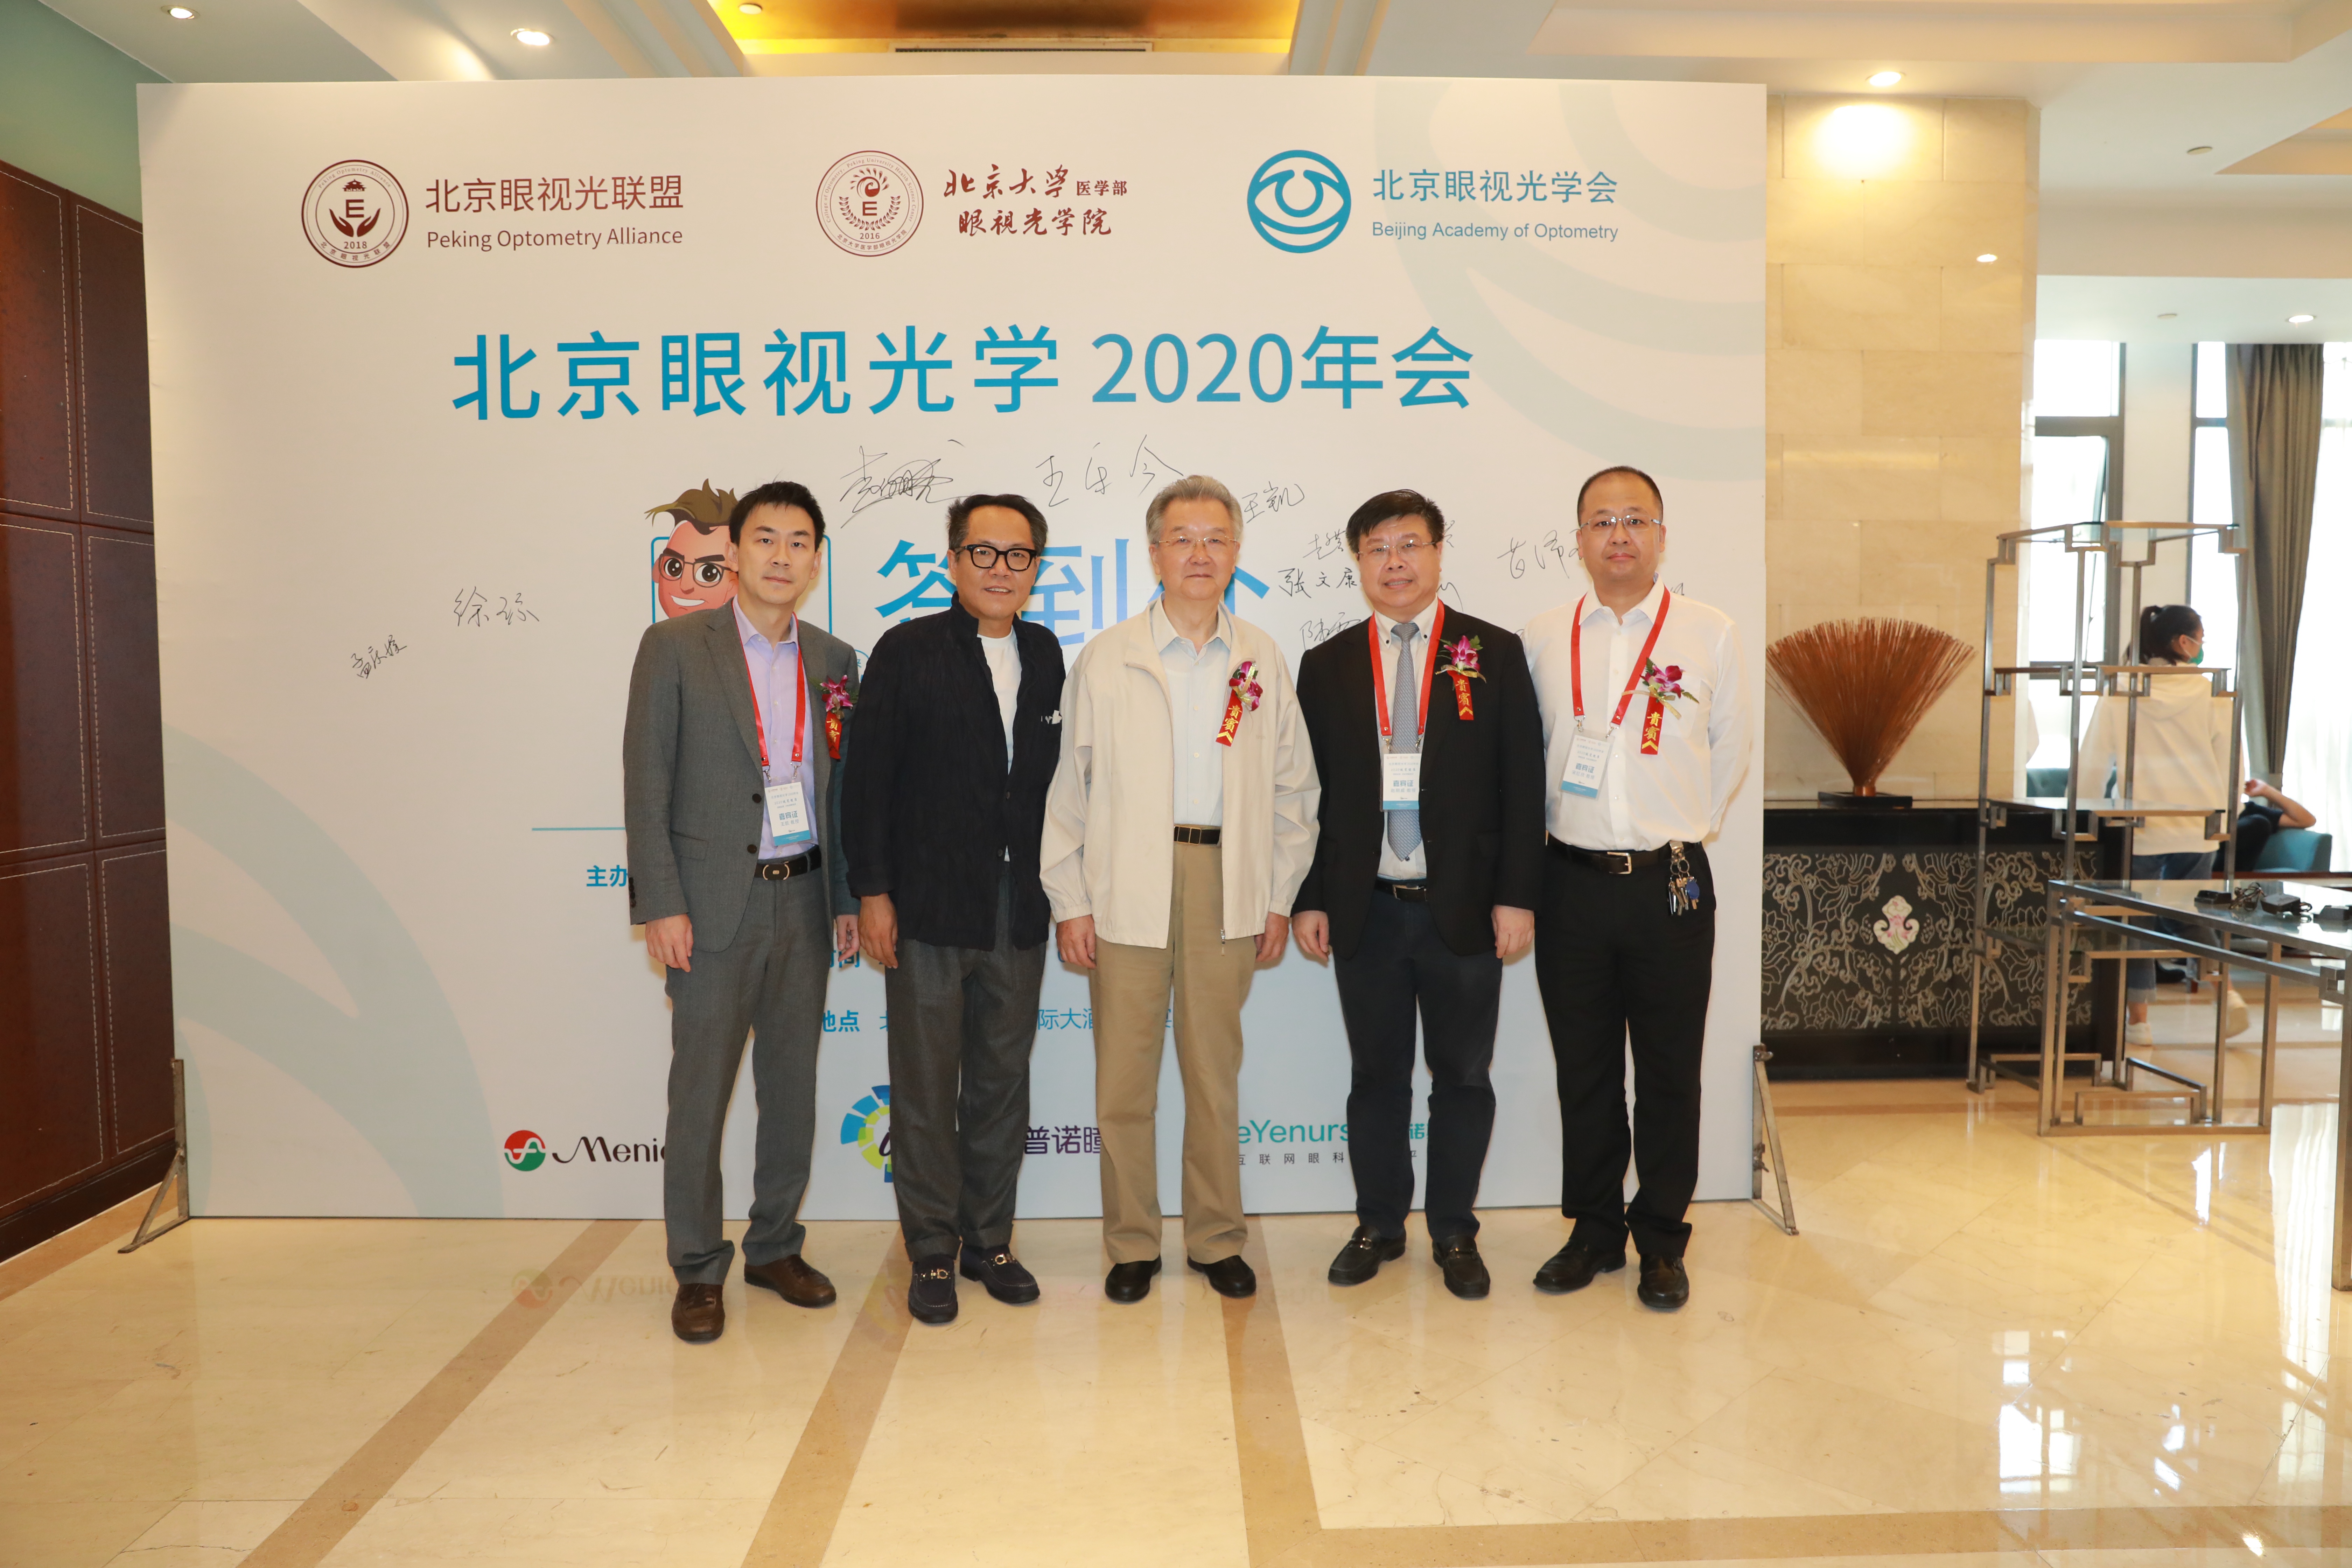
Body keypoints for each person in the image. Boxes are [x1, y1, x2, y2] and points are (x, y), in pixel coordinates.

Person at [1041, 475, 1320, 1304]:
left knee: (1213, 1076)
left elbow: (1295, 791)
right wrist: (1071, 901)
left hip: (1227, 882)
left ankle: (1216, 1237)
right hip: (1124, 881)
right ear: (1155, 552)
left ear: (1236, 553)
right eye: (1183, 538)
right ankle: (1131, 1243)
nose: (1200, 554)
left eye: (1215, 539)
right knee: (1123, 1083)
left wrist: (1277, 894)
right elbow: (1069, 790)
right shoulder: (1109, 656)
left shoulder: (1260, 655)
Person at [623, 480, 861, 1344]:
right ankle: (697, 1266)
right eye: (766, 539)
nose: (781, 556)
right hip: (712, 906)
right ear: (736, 551)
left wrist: (843, 899)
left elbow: (840, 792)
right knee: (700, 1095)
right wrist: (662, 902)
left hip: (803, 900)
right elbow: (646, 782)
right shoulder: (675, 647)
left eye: (799, 542)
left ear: (815, 560)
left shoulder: (835, 661)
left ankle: (774, 1246)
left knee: (791, 1089)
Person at [1292, 490, 1544, 1300]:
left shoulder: (1490, 651)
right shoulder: (1328, 664)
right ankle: (1379, 1224)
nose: (1394, 561)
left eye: (1410, 544)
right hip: (1366, 907)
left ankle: (1455, 1230)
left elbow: (1522, 781)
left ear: (1438, 553)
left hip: (1463, 908)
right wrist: (1309, 896)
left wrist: (1517, 895)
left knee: (1463, 1076)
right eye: (1377, 548)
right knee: (1376, 1077)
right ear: (1358, 562)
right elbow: (1306, 795)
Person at [1521, 465, 1751, 1311]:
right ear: (1579, 539)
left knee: (1668, 1071)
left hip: (1670, 883)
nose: (1618, 535)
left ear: (1661, 535)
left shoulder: (1710, 632)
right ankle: (1593, 1231)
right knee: (1583, 1070)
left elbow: (1729, 751)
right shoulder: (1542, 636)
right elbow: (1525, 757)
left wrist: (1677, 827)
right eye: (1602, 520)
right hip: (1570, 883)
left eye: (1635, 519)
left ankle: (1660, 1238)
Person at [841, 493, 1065, 1326]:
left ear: (1036, 568)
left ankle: (990, 1241)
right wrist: (873, 892)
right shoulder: (908, 650)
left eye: (1018, 555)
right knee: (928, 1086)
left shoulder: (1045, 654)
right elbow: (867, 781)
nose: (1001, 569)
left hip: (1019, 908)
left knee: (1002, 1084)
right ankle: (932, 1249)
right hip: (928, 906)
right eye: (983, 552)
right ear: (953, 561)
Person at [2076, 603, 2245, 1043]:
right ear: (2183, 643)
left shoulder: (2125, 689)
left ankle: (2140, 1022)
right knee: (2187, 911)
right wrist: (2230, 816)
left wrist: (2082, 815)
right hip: (2199, 824)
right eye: (2201, 638)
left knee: (2135, 919)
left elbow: (2094, 761)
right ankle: (2225, 990)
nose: (2203, 646)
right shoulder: (2212, 692)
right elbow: (2232, 764)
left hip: (2141, 825)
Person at [648, 481, 738, 620]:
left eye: (709, 573)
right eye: (674, 567)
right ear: (657, 569)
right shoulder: (655, 633)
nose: (685, 586)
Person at [2232, 778, 2317, 869]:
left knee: (2260, 823)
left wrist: (2266, 791)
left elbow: (2307, 820)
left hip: (2232, 873)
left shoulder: (2247, 811)